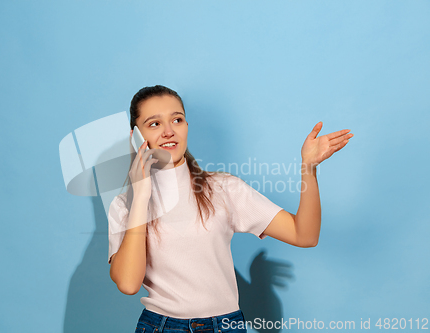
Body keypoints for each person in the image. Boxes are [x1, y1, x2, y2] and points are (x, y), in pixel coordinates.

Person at [107, 85, 353, 333]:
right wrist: (140, 198)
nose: (169, 131)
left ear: (186, 126)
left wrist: (308, 168)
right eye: (154, 124)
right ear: (136, 136)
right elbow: (128, 283)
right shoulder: (124, 205)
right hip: (160, 327)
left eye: (177, 119)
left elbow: (305, 235)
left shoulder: (224, 189)